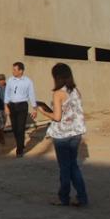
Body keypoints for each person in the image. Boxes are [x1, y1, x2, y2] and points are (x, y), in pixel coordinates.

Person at [38, 63, 88, 207]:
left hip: (62, 136)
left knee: (65, 168)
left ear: (57, 77)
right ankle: (82, 197)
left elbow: (57, 117)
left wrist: (44, 111)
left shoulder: (58, 93)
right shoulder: (75, 91)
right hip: (76, 133)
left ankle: (63, 198)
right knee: (73, 166)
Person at [4, 62, 37, 157]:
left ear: (21, 71)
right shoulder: (10, 80)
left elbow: (32, 95)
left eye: (15, 69)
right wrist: (6, 106)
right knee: (14, 128)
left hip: (22, 106)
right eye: (13, 69)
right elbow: (7, 93)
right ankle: (21, 144)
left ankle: (19, 150)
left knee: (20, 128)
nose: (13, 71)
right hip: (12, 106)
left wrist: (34, 108)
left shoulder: (28, 81)